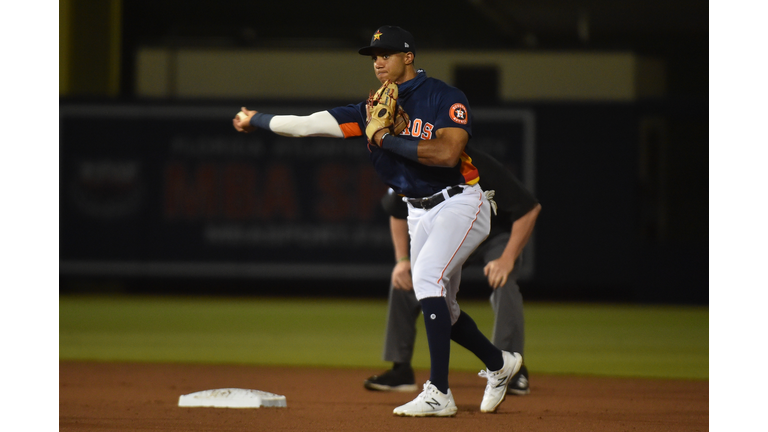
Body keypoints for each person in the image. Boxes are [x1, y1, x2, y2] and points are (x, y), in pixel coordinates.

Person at [233, 25, 522, 417]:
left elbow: (449, 154)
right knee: (444, 307)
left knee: (425, 280)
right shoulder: (369, 111)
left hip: (460, 202)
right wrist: (256, 119)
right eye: (373, 55)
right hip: (417, 211)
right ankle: (500, 364)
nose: (378, 61)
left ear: (409, 56)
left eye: (386, 53)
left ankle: (439, 392)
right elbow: (306, 125)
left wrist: (384, 138)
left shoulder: (443, 96)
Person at [363, 146, 541, 396]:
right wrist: (403, 260)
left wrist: (508, 258)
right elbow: (397, 211)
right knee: (407, 279)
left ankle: (512, 369)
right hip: (451, 229)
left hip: (493, 235)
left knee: (504, 281)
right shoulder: (417, 164)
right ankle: (400, 370)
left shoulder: (481, 164)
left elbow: (529, 208)